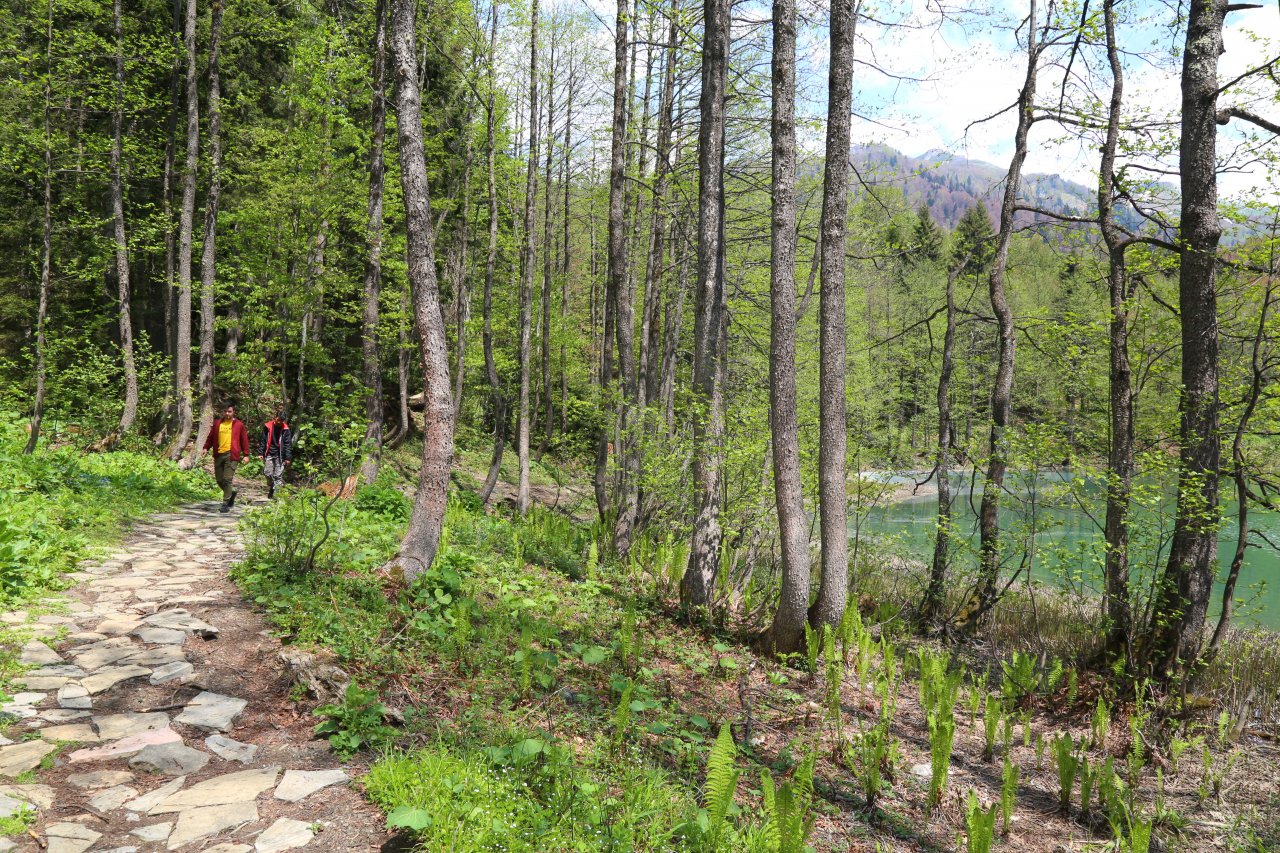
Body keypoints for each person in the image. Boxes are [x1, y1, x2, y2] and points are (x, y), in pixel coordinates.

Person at [201, 402, 249, 512]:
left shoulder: (239, 425)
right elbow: (210, 437)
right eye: (226, 411)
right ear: (223, 412)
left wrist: (246, 454)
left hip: (231, 454)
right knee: (219, 480)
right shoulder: (218, 423)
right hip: (218, 454)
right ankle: (231, 493)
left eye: (230, 411)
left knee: (227, 479)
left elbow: (244, 440)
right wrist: (205, 448)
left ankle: (225, 504)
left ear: (233, 412)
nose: (227, 413)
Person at [261, 411, 293, 499]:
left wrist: (288, 457)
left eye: (281, 421)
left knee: (278, 476)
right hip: (269, 453)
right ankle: (272, 486)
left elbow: (288, 444)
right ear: (275, 417)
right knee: (267, 473)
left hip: (280, 455)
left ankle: (276, 496)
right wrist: (261, 452)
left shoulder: (286, 429)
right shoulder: (267, 426)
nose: (279, 422)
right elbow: (263, 440)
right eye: (278, 420)